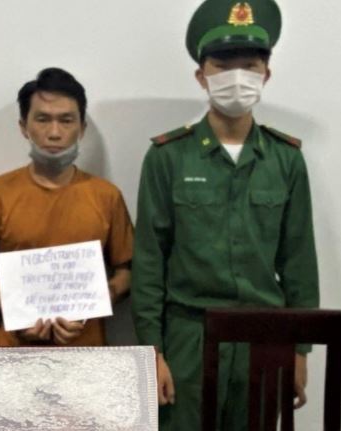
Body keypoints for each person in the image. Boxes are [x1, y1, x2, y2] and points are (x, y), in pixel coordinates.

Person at [132, 1, 319, 429]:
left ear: (266, 74)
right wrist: (152, 352)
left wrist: (300, 351)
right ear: (202, 75)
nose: (237, 77)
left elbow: (299, 260)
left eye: (250, 66)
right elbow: (149, 260)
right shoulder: (167, 157)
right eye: (222, 65)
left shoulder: (286, 160)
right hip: (189, 337)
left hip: (264, 338)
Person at [0, 67, 134, 346]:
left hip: (85, 352)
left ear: (82, 128)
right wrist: (20, 312)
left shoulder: (107, 196)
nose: (54, 133)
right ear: (23, 126)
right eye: (42, 119)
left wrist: (89, 306)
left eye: (66, 120)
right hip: (10, 352)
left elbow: (127, 273)